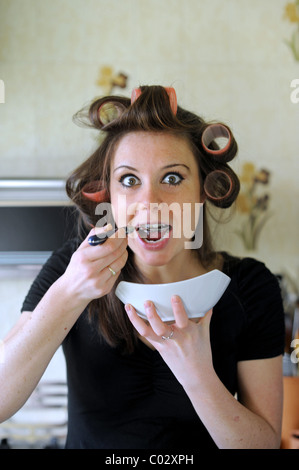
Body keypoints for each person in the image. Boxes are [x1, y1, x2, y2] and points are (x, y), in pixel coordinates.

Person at [0, 85, 285, 449]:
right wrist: (70, 292)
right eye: (129, 180)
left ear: (203, 191)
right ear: (110, 197)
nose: (149, 203)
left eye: (172, 178)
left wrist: (196, 373)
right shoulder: (71, 268)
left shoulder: (250, 286)